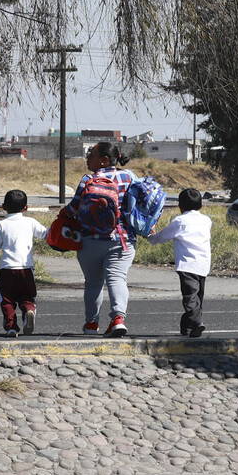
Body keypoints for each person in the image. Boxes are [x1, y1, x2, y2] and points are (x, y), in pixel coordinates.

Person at [66, 141, 139, 337]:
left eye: (92, 155)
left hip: (90, 239)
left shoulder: (88, 179)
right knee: (117, 279)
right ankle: (118, 319)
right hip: (121, 239)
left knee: (92, 283)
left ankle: (91, 324)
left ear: (104, 160)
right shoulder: (129, 176)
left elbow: (72, 209)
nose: (87, 158)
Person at [146, 188, 212, 338]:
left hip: (187, 264)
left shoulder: (179, 221)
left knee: (189, 296)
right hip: (203, 263)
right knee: (198, 297)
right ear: (201, 205)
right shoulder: (206, 220)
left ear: (180, 207)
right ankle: (187, 327)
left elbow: (162, 237)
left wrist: (151, 235)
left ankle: (196, 323)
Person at [0, 190, 48, 338]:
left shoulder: (1, 225)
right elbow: (46, 234)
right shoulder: (30, 222)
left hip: (7, 269)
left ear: (4, 207)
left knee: (7, 300)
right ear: (26, 207)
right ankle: (29, 310)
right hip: (26, 268)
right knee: (27, 297)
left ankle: (11, 328)